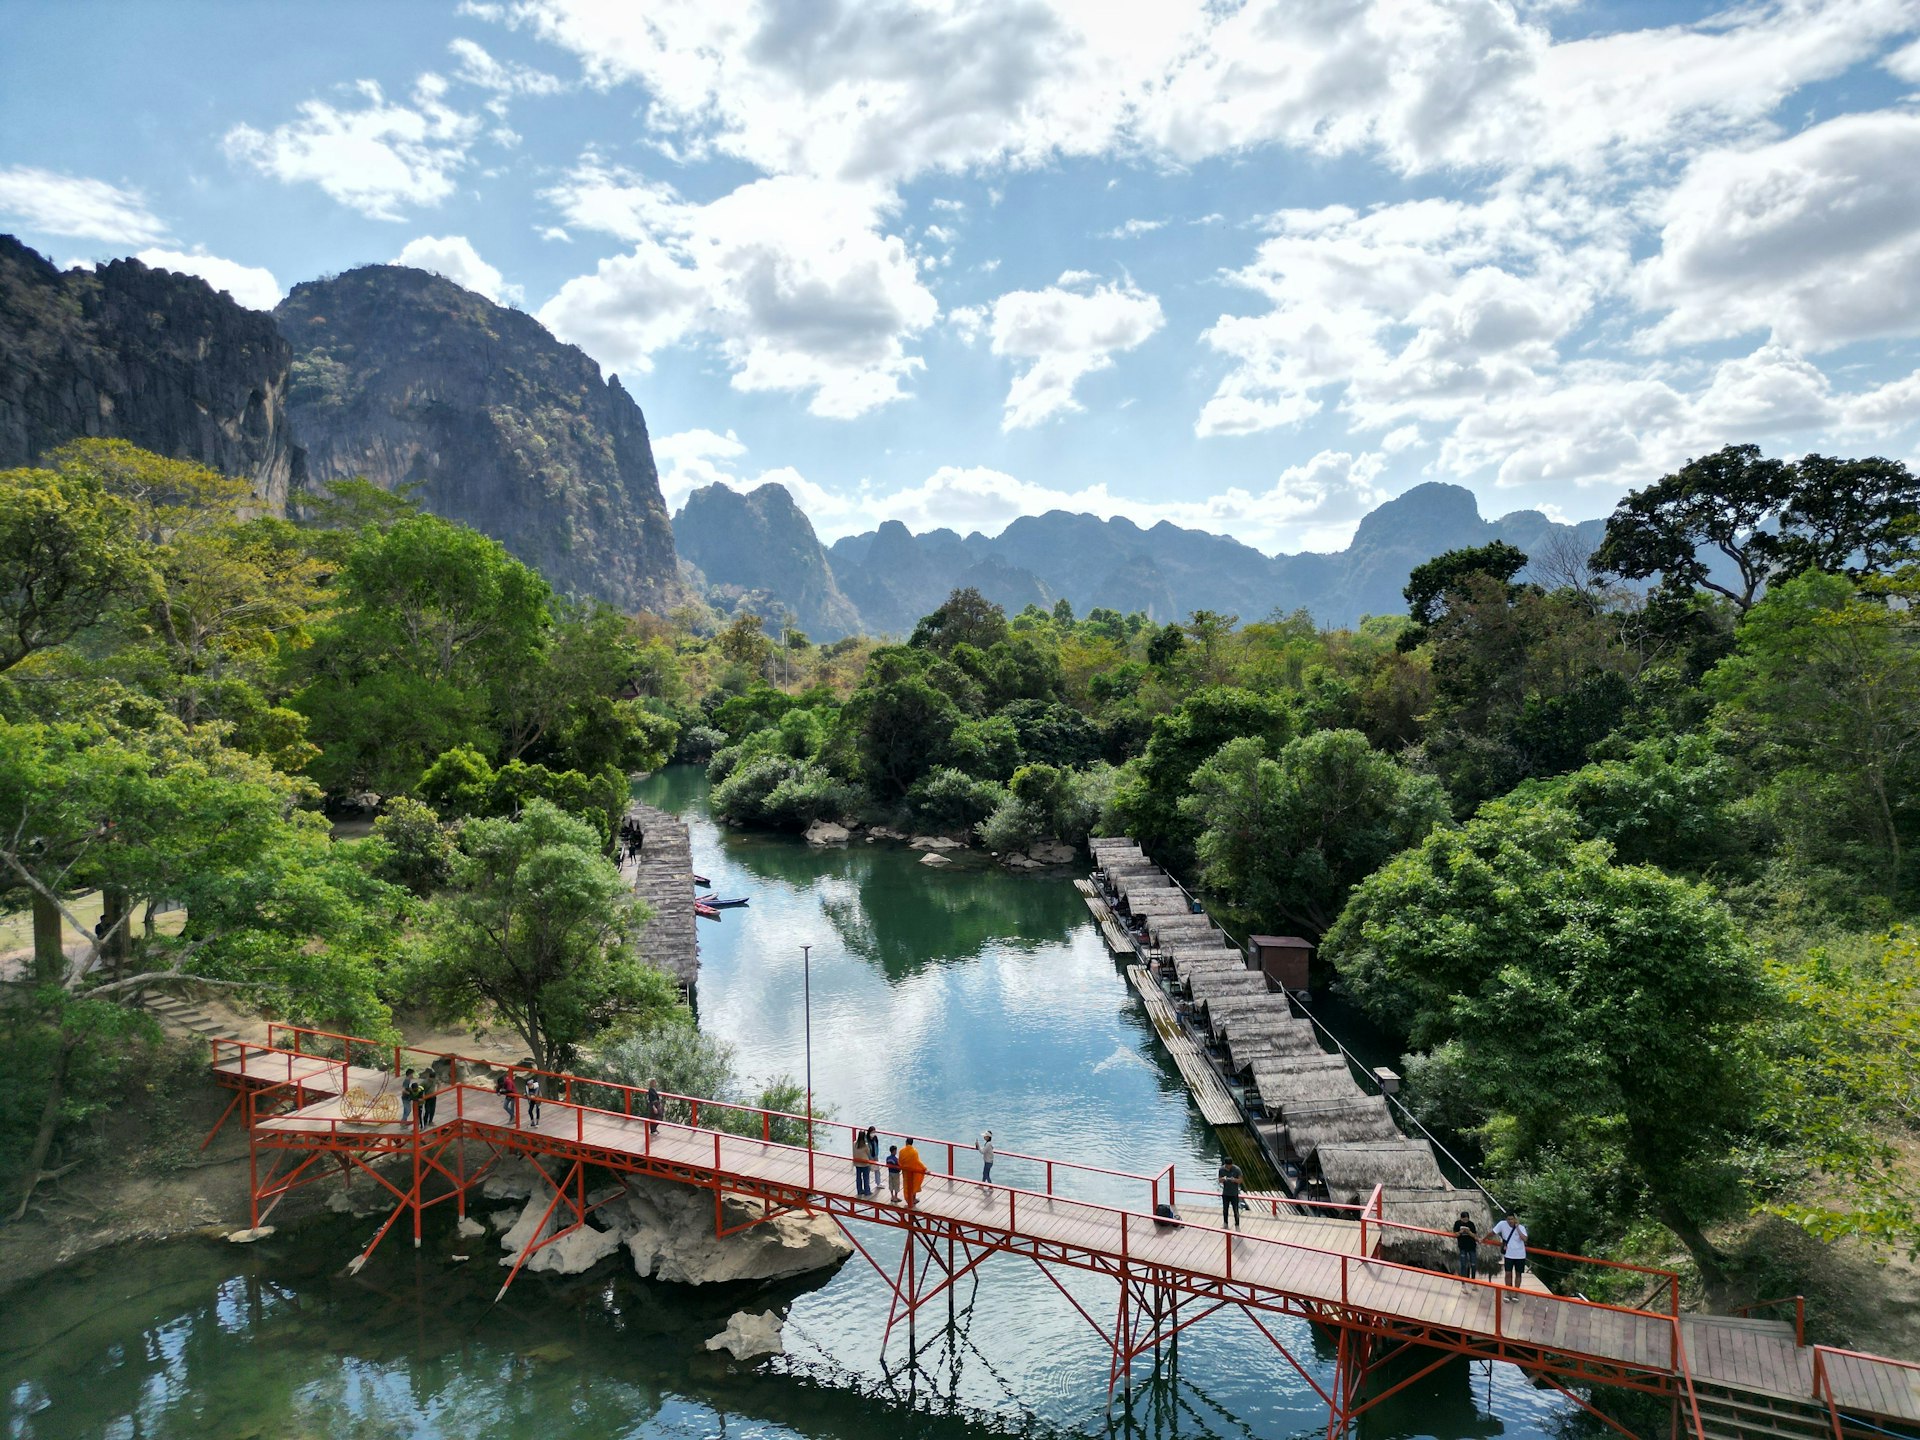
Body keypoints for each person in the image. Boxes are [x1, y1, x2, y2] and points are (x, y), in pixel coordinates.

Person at [1487, 1210, 1528, 1290]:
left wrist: (1517, 1228)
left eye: (1512, 1219)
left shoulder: (1521, 1227)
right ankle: (1508, 1291)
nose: (1510, 1221)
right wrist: (1484, 1239)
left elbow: (1525, 1239)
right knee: (1508, 1273)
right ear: (1506, 1219)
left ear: (1515, 1219)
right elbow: (1493, 1233)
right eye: (1508, 1219)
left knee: (1518, 1274)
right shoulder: (1502, 1224)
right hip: (1508, 1254)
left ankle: (1516, 1291)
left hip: (1520, 1255)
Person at [899, 1139, 928, 1208]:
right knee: (914, 1184)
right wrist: (924, 1168)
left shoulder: (901, 1151)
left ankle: (909, 1199)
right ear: (912, 1143)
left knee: (906, 1185)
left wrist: (902, 1167)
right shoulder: (914, 1152)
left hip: (906, 1171)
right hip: (913, 1171)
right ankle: (913, 1199)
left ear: (906, 1142)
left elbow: (900, 1161)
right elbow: (917, 1161)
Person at [1217, 1158, 1243, 1229]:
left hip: (1234, 1194)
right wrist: (1222, 1179)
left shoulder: (1237, 1169)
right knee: (1225, 1209)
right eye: (1227, 1166)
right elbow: (1219, 1180)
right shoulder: (1221, 1169)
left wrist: (1234, 1180)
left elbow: (1240, 1180)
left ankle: (1237, 1224)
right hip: (1225, 1193)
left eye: (1230, 1166)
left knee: (1235, 1210)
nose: (1228, 1167)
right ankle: (1225, 1223)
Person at [1452, 1210, 1479, 1278]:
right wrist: (1461, 1232)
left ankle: (1473, 1279)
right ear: (1461, 1218)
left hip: (1471, 1246)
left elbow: (1475, 1236)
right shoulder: (1457, 1223)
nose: (1465, 1220)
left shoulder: (1471, 1224)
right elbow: (1455, 1234)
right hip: (1462, 1246)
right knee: (1463, 1264)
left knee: (1473, 1264)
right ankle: (1463, 1279)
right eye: (1464, 1219)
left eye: (1467, 1219)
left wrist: (1469, 1232)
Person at [853, 1132, 873, 1197]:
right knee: (866, 1178)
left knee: (858, 1177)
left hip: (857, 1162)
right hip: (865, 1163)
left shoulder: (855, 1143)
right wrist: (871, 1161)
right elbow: (868, 1153)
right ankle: (867, 1191)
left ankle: (859, 1190)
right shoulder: (865, 1145)